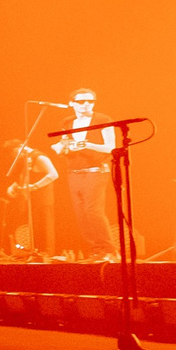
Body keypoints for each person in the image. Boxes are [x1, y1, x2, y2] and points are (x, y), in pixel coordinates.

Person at [55, 88, 118, 259]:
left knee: (93, 210)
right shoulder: (67, 122)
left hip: (95, 170)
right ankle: (96, 250)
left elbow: (111, 147)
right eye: (81, 101)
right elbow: (64, 142)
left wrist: (87, 144)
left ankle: (109, 250)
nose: (86, 104)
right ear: (72, 103)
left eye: (90, 101)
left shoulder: (102, 119)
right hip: (74, 171)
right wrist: (62, 147)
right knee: (81, 213)